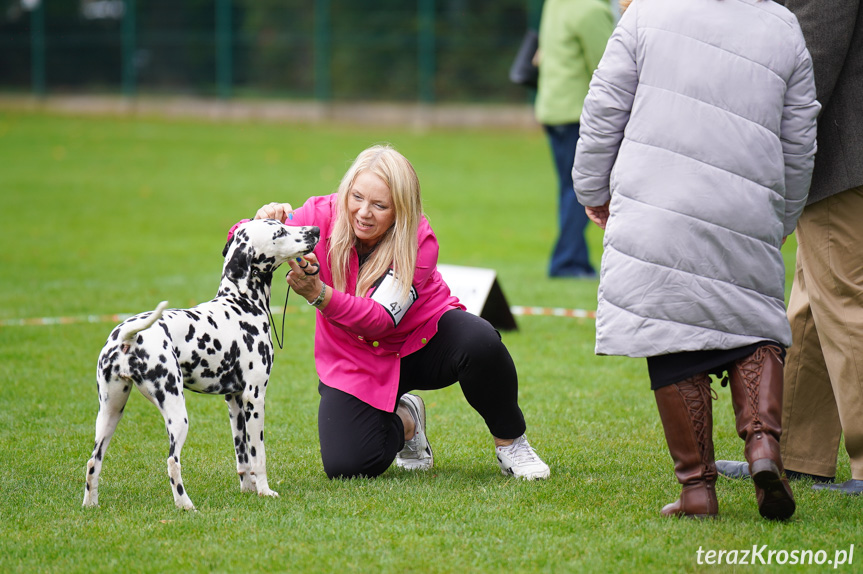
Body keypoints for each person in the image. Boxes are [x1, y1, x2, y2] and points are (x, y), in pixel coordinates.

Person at [571, 0, 819, 519]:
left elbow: (603, 109)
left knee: (670, 331)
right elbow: (800, 142)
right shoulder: (783, 25)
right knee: (754, 326)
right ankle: (762, 445)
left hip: (660, 204)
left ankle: (697, 490)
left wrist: (592, 188)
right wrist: (782, 218)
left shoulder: (646, 13)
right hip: (748, 207)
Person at [253, 144, 549, 480]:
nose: (364, 212)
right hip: (354, 358)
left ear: (401, 210)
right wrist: (261, 222)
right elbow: (240, 239)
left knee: (480, 342)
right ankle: (407, 420)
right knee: (347, 468)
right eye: (357, 197)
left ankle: (511, 443)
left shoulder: (420, 240)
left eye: (380, 205)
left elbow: (380, 320)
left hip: (423, 341)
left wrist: (320, 294)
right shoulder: (319, 215)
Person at [717, 0, 863, 496]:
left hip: (846, 157)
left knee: (845, 303)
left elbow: (808, 56)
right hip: (838, 159)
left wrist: (758, 138)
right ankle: (800, 455)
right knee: (811, 304)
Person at [534, 0, 614, 278]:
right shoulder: (591, 9)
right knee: (582, 190)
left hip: (552, 109)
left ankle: (574, 260)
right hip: (577, 113)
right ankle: (567, 263)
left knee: (568, 190)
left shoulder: (557, 3)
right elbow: (609, 65)